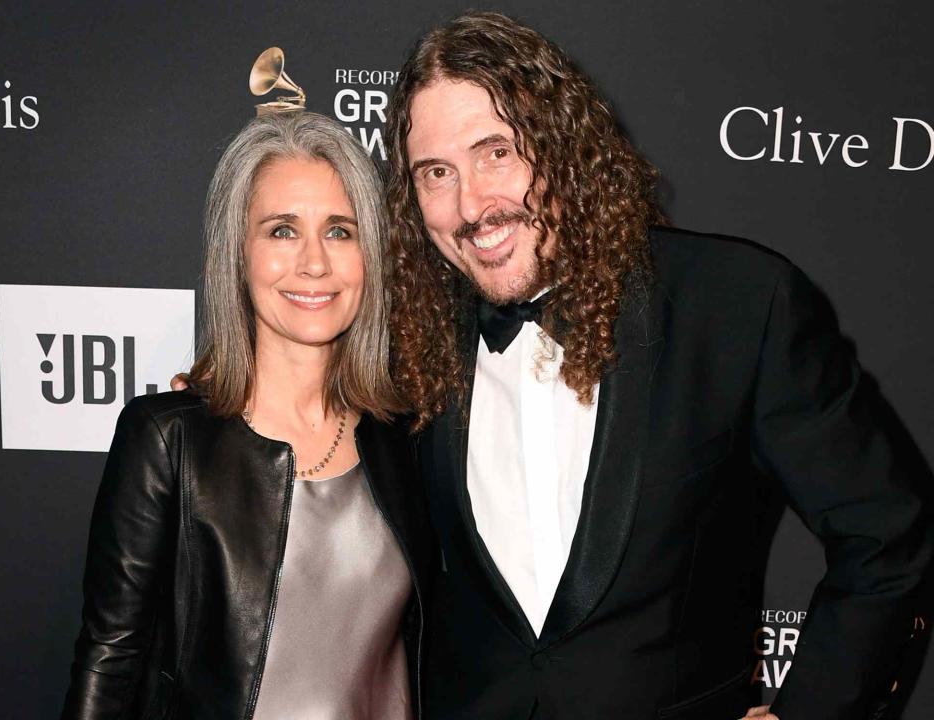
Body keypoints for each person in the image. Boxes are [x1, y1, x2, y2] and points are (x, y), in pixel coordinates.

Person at [385, 11, 933, 720]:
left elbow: (888, 534)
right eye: (437, 172)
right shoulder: (410, 339)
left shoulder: (736, 305)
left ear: (563, 145)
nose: (471, 204)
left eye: (497, 152)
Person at [61, 111, 432, 719]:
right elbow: (109, 661)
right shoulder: (168, 441)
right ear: (237, 254)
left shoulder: (408, 438)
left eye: (341, 231)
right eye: (282, 231)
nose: (315, 262)